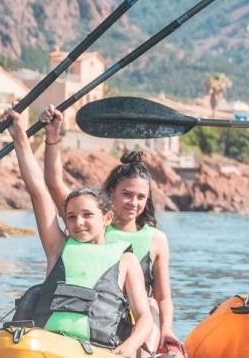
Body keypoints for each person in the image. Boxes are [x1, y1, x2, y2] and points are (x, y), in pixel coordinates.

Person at [4, 108, 155, 355]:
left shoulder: (126, 260)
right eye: (71, 217)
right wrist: (20, 136)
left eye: (87, 215)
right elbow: (39, 191)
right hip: (48, 347)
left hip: (99, 350)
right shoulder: (58, 247)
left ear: (107, 218)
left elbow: (144, 318)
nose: (78, 222)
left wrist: (127, 349)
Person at [38, 107, 182, 356]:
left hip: (137, 324)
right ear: (110, 194)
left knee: (150, 303)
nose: (133, 203)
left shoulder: (156, 239)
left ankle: (146, 354)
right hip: (96, 315)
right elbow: (53, 184)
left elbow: (163, 297)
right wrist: (52, 137)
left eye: (140, 197)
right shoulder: (89, 224)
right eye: (126, 195)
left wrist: (167, 330)